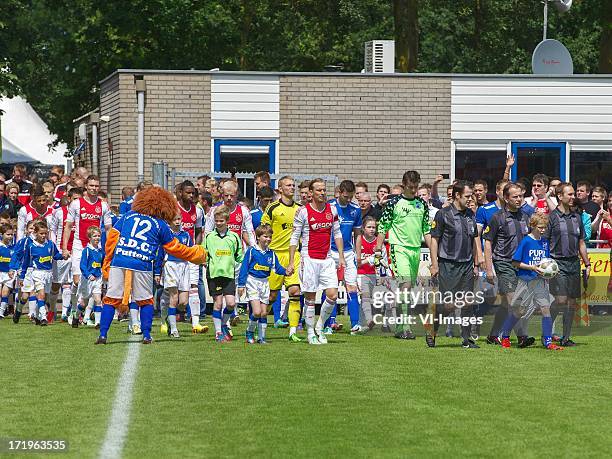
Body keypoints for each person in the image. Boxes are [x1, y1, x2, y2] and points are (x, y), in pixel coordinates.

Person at [96, 186, 206, 344]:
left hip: (120, 260)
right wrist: (197, 254)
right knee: (145, 300)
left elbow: (112, 238)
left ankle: (103, 335)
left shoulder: (128, 216)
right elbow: (176, 248)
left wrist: (108, 260)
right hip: (143, 262)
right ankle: (147, 335)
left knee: (111, 299)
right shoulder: (160, 225)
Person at [375, 171, 431, 340]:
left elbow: (426, 231)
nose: (413, 190)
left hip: (416, 250)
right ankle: (404, 327)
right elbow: (383, 226)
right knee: (405, 285)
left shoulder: (422, 204)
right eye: (410, 187)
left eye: (416, 187)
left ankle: (400, 326)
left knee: (408, 289)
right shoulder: (394, 203)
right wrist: (378, 249)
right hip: (398, 248)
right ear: (403, 185)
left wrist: (434, 256)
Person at [289, 178, 345, 345]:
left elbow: (337, 234)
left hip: (327, 258)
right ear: (311, 193)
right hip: (309, 259)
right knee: (311, 298)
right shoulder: (303, 211)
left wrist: (341, 256)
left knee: (332, 295)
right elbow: (294, 237)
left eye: (324, 189)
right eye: (319, 190)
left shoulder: (332, 210)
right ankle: (310, 332)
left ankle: (320, 326)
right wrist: (292, 261)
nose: (322, 193)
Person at [429, 180, 481, 349]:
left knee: (467, 302)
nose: (470, 198)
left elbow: (474, 239)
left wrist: (476, 263)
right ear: (457, 196)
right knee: (448, 306)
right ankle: (432, 330)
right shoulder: (443, 214)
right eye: (467, 195)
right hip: (448, 265)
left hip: (466, 264)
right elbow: (434, 240)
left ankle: (466, 339)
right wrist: (435, 264)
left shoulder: (470, 215)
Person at [500, 213, 563, 350]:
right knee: (520, 311)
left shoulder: (545, 242)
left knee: (546, 309)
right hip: (526, 280)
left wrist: (551, 271)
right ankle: (504, 336)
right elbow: (515, 262)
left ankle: (547, 342)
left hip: (540, 281)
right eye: (540, 227)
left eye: (545, 227)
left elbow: (545, 262)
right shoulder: (526, 241)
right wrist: (532, 267)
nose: (543, 230)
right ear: (533, 226)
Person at [483, 182, 534, 347]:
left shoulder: (525, 216)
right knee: (515, 302)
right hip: (504, 263)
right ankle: (522, 336)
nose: (519, 199)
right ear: (506, 198)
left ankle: (492, 335)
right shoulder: (497, 217)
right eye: (515, 196)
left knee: (506, 304)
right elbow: (488, 243)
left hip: (521, 266)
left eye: (521, 196)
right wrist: (489, 269)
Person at [63, 175, 113, 325]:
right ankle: (73, 309)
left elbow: (108, 228)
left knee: (95, 280)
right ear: (86, 186)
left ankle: (84, 313)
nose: (94, 189)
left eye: (96, 186)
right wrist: (65, 247)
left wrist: (109, 249)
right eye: (91, 186)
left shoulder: (103, 205)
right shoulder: (76, 204)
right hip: (79, 246)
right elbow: (68, 226)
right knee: (77, 281)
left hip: (95, 248)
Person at [545, 182, 591, 347]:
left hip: (574, 263)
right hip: (557, 264)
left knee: (572, 302)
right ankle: (547, 330)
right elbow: (544, 242)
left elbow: (581, 243)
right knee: (561, 300)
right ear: (560, 196)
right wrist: (545, 264)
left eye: (573, 194)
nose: (573, 197)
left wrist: (587, 263)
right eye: (570, 194)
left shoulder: (577, 217)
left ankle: (566, 337)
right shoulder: (552, 217)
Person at [260, 176, 303, 339]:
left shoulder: (300, 209)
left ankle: (293, 332)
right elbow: (264, 230)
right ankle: (259, 324)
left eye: (293, 185)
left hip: (294, 254)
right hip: (275, 255)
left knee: (295, 291)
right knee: (271, 295)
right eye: (289, 185)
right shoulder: (272, 208)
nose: (292, 188)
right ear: (280, 188)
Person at [238, 224, 286, 344]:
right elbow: (244, 268)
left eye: (270, 237)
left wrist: (287, 271)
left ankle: (261, 338)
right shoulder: (252, 251)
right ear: (258, 237)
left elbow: (278, 269)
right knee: (257, 312)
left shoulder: (271, 254)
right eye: (265, 236)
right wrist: (241, 284)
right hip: (252, 281)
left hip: (265, 282)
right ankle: (249, 331)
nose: (268, 239)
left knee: (264, 313)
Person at [204, 205, 244, 342]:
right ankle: (218, 332)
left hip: (229, 275)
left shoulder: (234, 237)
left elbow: (239, 256)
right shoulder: (209, 237)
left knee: (231, 304)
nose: (219, 223)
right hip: (214, 274)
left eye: (222, 221)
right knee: (218, 303)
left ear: (227, 220)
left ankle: (223, 323)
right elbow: (204, 254)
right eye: (217, 221)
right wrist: (204, 262)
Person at [327, 180, 362, 334]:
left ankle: (355, 324)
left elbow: (358, 233)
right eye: (346, 197)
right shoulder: (329, 207)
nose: (348, 200)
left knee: (352, 287)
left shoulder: (355, 209)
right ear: (340, 192)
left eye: (351, 197)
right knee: (331, 289)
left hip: (348, 253)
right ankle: (330, 323)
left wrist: (358, 254)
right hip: (330, 252)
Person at [159, 214, 202, 338]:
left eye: (179, 219)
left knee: (183, 302)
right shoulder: (166, 234)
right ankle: (173, 329)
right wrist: (158, 269)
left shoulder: (186, 235)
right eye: (174, 219)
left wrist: (199, 259)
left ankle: (169, 317)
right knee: (174, 297)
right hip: (171, 265)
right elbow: (161, 251)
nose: (177, 222)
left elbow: (190, 251)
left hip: (184, 266)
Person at [19, 220, 66, 325]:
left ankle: (36, 315)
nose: (44, 235)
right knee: (41, 295)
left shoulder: (50, 244)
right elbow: (25, 262)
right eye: (41, 233)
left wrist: (63, 255)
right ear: (35, 233)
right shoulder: (31, 246)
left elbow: (56, 256)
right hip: (37, 273)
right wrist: (22, 277)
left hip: (48, 274)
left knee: (44, 297)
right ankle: (44, 317)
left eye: (45, 233)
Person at [175, 180, 206, 333]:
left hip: (191, 254)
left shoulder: (198, 210)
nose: (191, 195)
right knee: (173, 290)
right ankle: (168, 319)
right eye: (188, 192)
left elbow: (199, 230)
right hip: (175, 255)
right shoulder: (174, 208)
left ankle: (196, 322)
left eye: (193, 192)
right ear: (180, 193)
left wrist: (196, 247)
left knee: (194, 286)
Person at [49, 187, 82, 322]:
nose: (77, 202)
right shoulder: (59, 212)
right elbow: (53, 231)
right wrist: (58, 250)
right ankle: (52, 309)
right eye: (75, 199)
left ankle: (69, 312)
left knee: (74, 283)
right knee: (56, 284)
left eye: (79, 199)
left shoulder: (82, 213)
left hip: (76, 251)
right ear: (69, 199)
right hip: (62, 252)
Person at [355, 216, 387, 332]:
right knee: (365, 296)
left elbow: (381, 259)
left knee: (373, 299)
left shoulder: (378, 242)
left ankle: (362, 325)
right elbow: (355, 259)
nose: (372, 229)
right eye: (369, 227)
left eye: (374, 227)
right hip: (361, 274)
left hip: (374, 274)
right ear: (363, 228)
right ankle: (368, 321)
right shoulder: (358, 240)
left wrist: (383, 275)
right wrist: (364, 261)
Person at [9, 220, 37, 323]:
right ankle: (18, 310)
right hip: (24, 270)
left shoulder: (42, 242)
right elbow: (16, 255)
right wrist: (12, 268)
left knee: (33, 292)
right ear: (26, 230)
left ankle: (32, 315)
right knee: (24, 295)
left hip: (36, 270)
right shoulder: (23, 242)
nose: (33, 230)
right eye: (31, 228)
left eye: (35, 228)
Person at [78, 226, 103, 328]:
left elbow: (103, 263)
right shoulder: (87, 250)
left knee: (98, 300)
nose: (97, 238)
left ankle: (98, 323)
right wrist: (88, 275)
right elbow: (82, 265)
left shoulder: (100, 251)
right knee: (84, 303)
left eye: (98, 236)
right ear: (90, 237)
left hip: (97, 279)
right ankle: (76, 316)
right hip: (87, 280)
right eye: (94, 236)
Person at [0, 224, 15, 318]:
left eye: (12, 235)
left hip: (9, 274)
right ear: (1, 234)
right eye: (8, 234)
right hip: (0, 272)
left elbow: (15, 260)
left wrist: (12, 269)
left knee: (5, 293)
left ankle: (1, 313)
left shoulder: (13, 247)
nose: (10, 237)